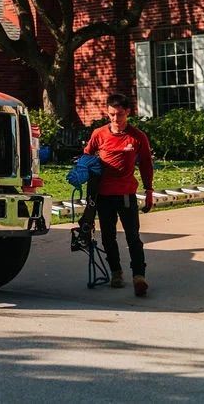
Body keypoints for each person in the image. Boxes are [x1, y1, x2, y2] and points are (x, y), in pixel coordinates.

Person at [83, 92, 154, 296]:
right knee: (108, 237)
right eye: (112, 115)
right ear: (108, 112)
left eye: (120, 115)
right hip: (104, 196)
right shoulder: (99, 134)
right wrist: (82, 169)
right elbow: (87, 156)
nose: (116, 119)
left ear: (128, 113)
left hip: (125, 195)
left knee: (133, 237)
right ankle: (116, 272)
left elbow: (147, 165)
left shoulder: (137, 136)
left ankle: (139, 276)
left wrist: (149, 191)